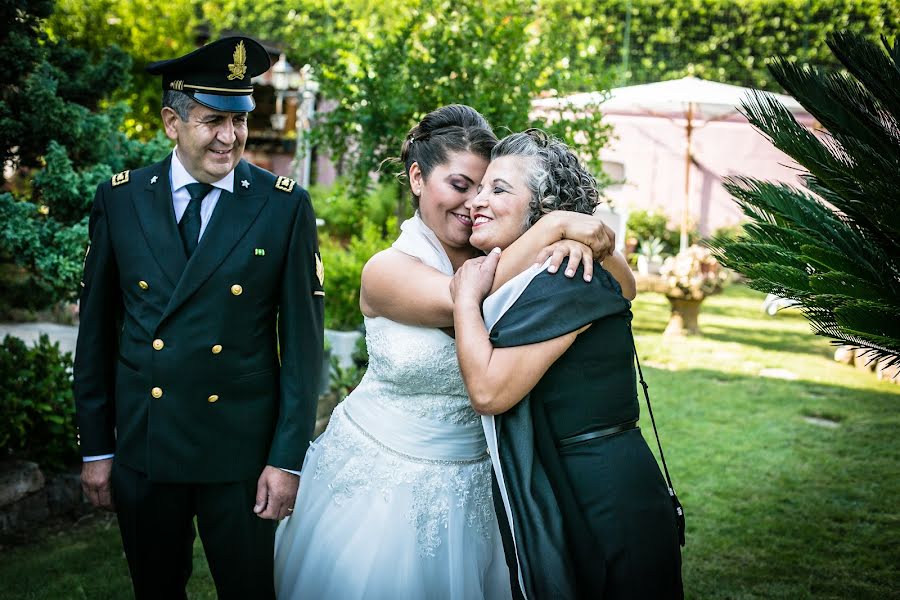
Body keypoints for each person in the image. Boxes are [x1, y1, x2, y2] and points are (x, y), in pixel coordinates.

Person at [273, 105, 625, 598]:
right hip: (377, 482)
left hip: (479, 486)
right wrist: (555, 227)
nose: (473, 203)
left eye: (485, 189)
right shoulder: (387, 270)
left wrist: (580, 239)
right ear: (417, 177)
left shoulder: (503, 248)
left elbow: (621, 289)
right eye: (460, 186)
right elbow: (465, 294)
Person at [73, 37, 324, 599]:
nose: (231, 137)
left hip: (240, 454)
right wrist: (97, 448)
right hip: (145, 446)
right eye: (213, 121)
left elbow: (304, 351)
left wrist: (287, 460)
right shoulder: (121, 199)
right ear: (172, 122)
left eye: (238, 120)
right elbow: (95, 334)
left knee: (249, 590)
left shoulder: (283, 205)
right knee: (155, 589)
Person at [451, 129, 684, 599]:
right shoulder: (539, 270)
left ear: (542, 209)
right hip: (571, 480)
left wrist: (464, 300)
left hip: (603, 493)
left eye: (498, 190)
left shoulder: (565, 276)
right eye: (479, 188)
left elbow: (490, 392)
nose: (477, 201)